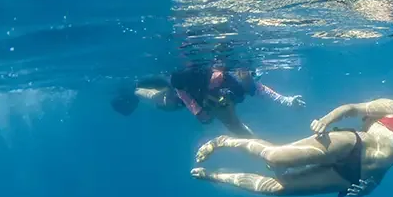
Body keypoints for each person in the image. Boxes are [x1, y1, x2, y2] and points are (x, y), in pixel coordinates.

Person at [190, 71, 393, 197]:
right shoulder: (392, 108)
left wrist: (370, 188)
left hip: (349, 177)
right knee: (275, 157)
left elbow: (382, 170)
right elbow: (350, 108)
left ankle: (214, 176)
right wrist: (325, 121)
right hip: (349, 143)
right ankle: (223, 141)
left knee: (275, 189)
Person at [110, 64, 305, 137]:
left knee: (170, 103)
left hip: (198, 98)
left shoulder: (239, 83)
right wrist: (197, 111)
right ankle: (134, 91)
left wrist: (289, 101)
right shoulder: (201, 75)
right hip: (185, 91)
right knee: (168, 101)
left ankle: (135, 91)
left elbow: (265, 92)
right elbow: (180, 88)